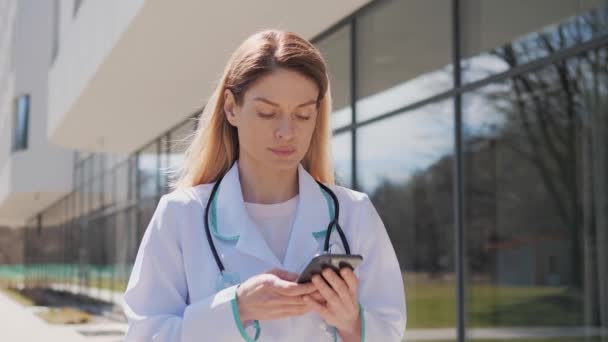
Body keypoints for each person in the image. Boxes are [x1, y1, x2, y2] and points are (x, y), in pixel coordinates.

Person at [123, 29, 406, 341]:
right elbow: (144, 335)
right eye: (267, 113)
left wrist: (352, 323)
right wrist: (238, 307)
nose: (286, 131)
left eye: (302, 114)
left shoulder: (354, 213)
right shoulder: (180, 215)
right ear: (231, 108)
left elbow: (390, 330)